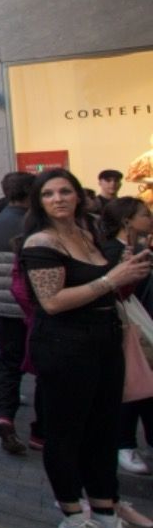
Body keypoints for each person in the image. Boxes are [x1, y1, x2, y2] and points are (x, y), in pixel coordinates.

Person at [19, 168, 153, 528]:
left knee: (103, 431)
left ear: (78, 195)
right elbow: (53, 302)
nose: (59, 198)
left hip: (106, 343)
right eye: (49, 193)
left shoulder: (89, 233)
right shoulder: (40, 242)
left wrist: (127, 272)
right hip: (65, 349)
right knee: (66, 434)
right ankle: (74, 520)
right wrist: (112, 279)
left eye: (65, 191)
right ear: (39, 202)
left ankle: (106, 516)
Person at [0, 171, 37, 455]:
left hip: (2, 305)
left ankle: (4, 414)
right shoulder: (35, 224)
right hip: (34, 305)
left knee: (8, 362)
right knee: (44, 366)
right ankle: (41, 429)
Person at [99, 197, 153, 479]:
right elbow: (112, 289)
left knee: (143, 380)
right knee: (134, 380)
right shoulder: (113, 251)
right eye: (145, 214)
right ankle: (124, 444)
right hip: (123, 321)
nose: (150, 218)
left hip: (133, 316)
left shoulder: (133, 248)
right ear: (127, 220)